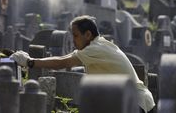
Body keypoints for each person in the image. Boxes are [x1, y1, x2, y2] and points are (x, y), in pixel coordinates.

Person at [10, 15, 155, 113]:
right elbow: (66, 57)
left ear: (88, 35)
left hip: (136, 102)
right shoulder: (97, 46)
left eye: (76, 35)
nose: (73, 40)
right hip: (136, 101)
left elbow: (62, 62)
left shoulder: (95, 49)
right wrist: (30, 61)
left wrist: (30, 62)